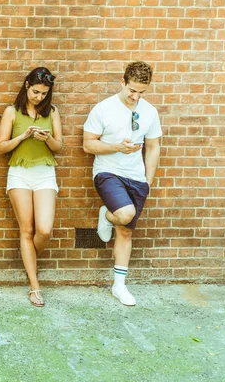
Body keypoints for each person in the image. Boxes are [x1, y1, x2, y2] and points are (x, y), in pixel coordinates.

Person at [83, 61, 162, 306]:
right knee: (125, 214)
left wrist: (147, 181)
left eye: (141, 92)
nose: (135, 96)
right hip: (108, 172)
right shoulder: (103, 109)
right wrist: (117, 147)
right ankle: (108, 215)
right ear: (122, 81)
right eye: (132, 90)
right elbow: (88, 144)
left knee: (126, 230)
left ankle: (119, 285)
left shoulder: (149, 111)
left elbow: (153, 147)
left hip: (136, 177)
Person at [0, 67, 63, 307]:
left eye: (44, 94)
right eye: (36, 92)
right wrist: (22, 137)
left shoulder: (52, 112)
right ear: (26, 86)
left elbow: (58, 147)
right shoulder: (11, 112)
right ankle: (34, 286)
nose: (39, 97)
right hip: (19, 174)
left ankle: (28, 259)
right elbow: (1, 147)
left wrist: (48, 139)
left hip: (44, 172)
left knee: (43, 230)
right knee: (27, 230)